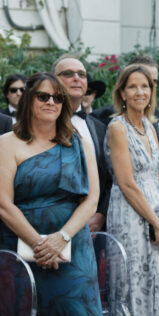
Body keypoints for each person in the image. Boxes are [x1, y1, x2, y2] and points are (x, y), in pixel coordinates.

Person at [0, 72, 111, 316]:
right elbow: (2, 204)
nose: (51, 103)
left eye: (57, 98)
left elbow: (92, 198)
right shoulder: (7, 144)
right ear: (28, 99)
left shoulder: (78, 141)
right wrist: (39, 242)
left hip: (75, 249)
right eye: (43, 96)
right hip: (26, 252)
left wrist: (61, 238)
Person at [105, 64, 159, 316]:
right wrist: (156, 223)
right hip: (131, 216)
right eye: (132, 86)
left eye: (145, 86)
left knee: (158, 288)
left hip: (158, 213)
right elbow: (126, 183)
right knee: (134, 290)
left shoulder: (149, 124)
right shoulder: (116, 127)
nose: (139, 92)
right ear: (121, 92)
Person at [52, 56, 111, 233]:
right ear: (53, 80)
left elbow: (110, 178)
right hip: (52, 223)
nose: (77, 78)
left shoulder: (100, 127)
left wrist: (101, 214)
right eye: (68, 73)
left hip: (94, 227)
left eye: (82, 74)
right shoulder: (42, 124)